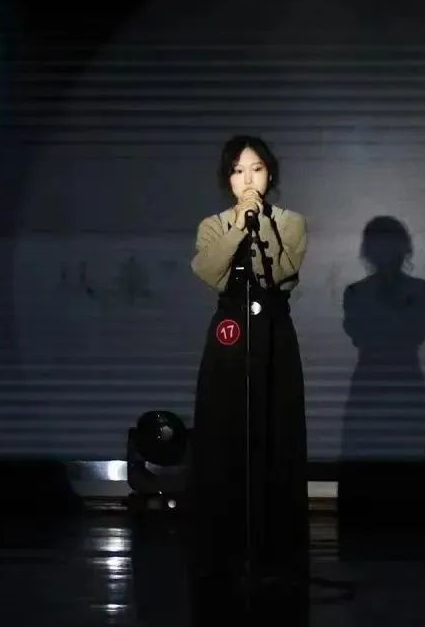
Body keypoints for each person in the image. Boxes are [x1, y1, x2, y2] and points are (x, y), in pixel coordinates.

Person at [187, 135, 310, 606]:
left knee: (275, 433)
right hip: (230, 331)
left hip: (274, 328)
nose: (248, 179)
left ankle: (276, 556)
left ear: (269, 174)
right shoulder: (213, 225)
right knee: (226, 433)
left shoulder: (291, 222)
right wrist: (240, 224)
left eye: (256, 169)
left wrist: (259, 223)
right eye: (238, 171)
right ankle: (223, 554)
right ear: (228, 179)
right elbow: (208, 272)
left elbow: (281, 272)